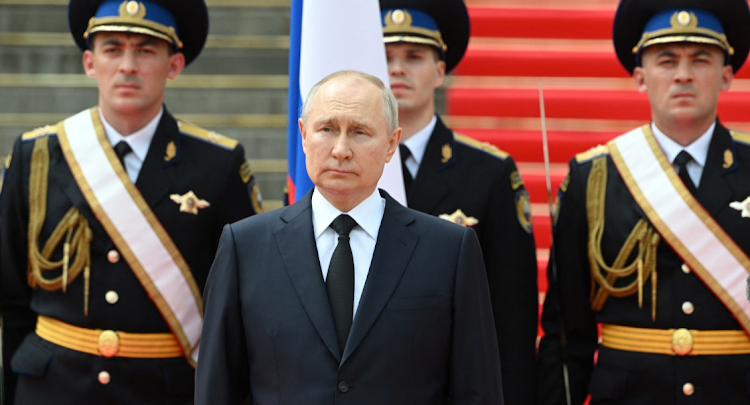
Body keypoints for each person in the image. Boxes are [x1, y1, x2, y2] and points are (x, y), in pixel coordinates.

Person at [0, 0, 262, 403]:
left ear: (174, 65)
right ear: (89, 62)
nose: (127, 65)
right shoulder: (36, 157)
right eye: (112, 49)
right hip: (52, 389)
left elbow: (240, 302)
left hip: (164, 391)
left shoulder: (218, 165)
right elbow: (12, 296)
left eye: (145, 50)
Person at [195, 70, 503, 404]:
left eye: (359, 132)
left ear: (390, 144)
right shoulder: (246, 248)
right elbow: (217, 389)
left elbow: (477, 390)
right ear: (303, 135)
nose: (341, 149)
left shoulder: (448, 251)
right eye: (326, 129)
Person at [537, 0, 750, 403]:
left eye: (701, 60)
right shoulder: (594, 178)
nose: (684, 75)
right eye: (666, 61)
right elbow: (569, 335)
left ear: (726, 76)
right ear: (640, 77)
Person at [379, 1, 539, 403]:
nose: (397, 68)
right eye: (384, 56)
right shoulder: (339, 169)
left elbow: (512, 314)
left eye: (414, 56)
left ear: (439, 71)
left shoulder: (489, 173)